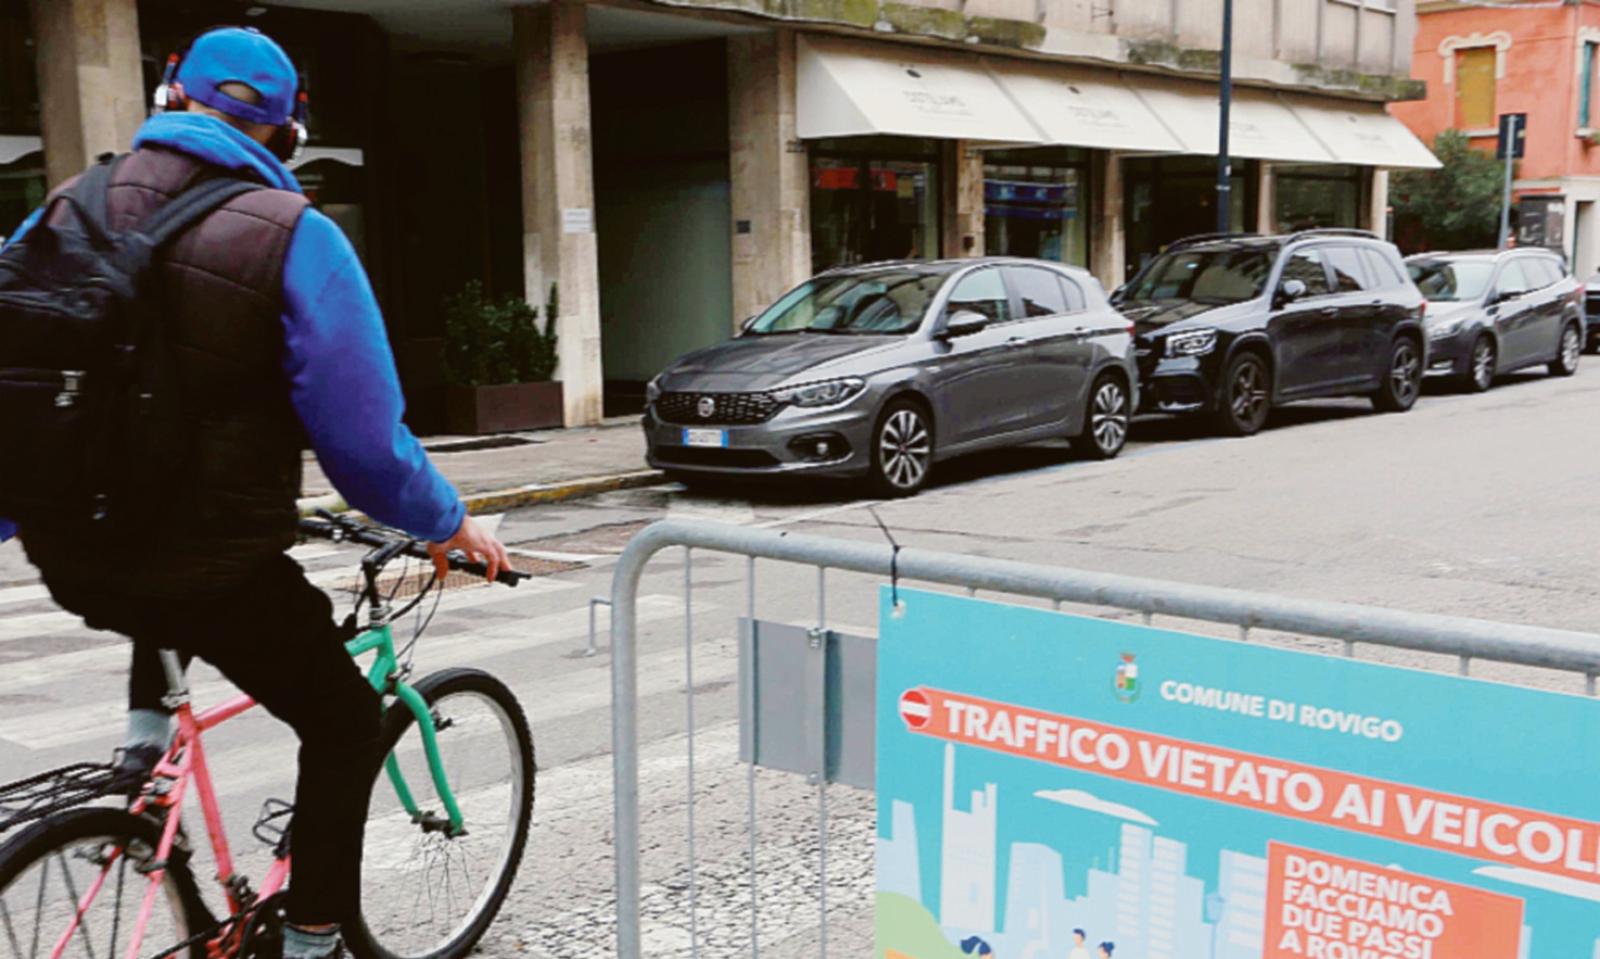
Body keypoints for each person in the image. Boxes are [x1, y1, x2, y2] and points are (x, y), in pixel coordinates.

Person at [0, 25, 509, 959]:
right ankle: (313, 940)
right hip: (205, 559)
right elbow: (366, 448)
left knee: (154, 581)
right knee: (345, 721)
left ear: (170, 97)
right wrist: (445, 520)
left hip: (70, 545)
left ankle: (143, 757)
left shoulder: (65, 206)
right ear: (289, 130)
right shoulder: (297, 237)